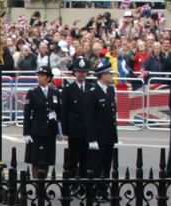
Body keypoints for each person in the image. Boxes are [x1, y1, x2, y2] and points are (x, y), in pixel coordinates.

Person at [23, 65, 60, 179]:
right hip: (37, 130)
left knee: (47, 159)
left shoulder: (54, 92)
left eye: (43, 76)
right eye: (39, 76)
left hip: (50, 130)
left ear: (49, 78)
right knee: (36, 159)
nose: (40, 78)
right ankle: (37, 184)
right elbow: (27, 113)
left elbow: (59, 110)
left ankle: (43, 182)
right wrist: (26, 133)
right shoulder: (32, 92)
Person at [61, 56, 91, 188]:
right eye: (79, 71)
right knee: (73, 158)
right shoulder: (68, 89)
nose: (81, 74)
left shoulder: (91, 87)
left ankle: (84, 184)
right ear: (74, 73)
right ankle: (72, 184)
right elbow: (64, 111)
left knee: (86, 159)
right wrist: (65, 130)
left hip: (88, 130)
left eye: (83, 71)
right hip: (75, 129)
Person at [85, 60, 119, 180]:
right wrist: (92, 139)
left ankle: (104, 189)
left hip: (109, 135)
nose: (111, 76)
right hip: (99, 136)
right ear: (103, 75)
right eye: (109, 74)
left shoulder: (110, 90)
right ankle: (95, 190)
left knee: (107, 165)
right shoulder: (93, 93)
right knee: (97, 166)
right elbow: (90, 118)